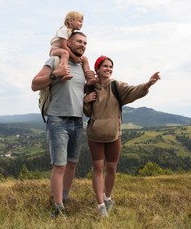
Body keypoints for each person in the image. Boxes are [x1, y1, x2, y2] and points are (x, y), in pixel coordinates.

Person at [83, 55, 161, 217]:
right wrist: (86, 100)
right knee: (97, 169)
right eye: (105, 66)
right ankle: (101, 206)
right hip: (95, 135)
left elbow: (134, 91)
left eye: (111, 67)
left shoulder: (117, 86)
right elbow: (87, 112)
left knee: (111, 168)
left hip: (114, 135)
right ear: (97, 69)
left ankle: (108, 197)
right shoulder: (90, 87)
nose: (109, 69)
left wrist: (148, 84)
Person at [32, 31, 94, 217]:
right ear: (68, 43)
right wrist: (55, 75)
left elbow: (77, 92)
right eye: (79, 41)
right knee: (59, 166)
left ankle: (64, 199)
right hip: (57, 119)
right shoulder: (55, 61)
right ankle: (58, 208)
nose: (82, 45)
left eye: (85, 42)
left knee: (72, 164)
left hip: (77, 120)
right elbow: (34, 84)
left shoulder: (82, 67)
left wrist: (89, 93)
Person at [50, 11, 95, 84]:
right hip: (55, 50)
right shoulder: (64, 30)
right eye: (80, 21)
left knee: (85, 59)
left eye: (82, 22)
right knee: (65, 53)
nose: (81, 24)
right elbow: (63, 46)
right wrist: (74, 57)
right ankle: (64, 72)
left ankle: (89, 78)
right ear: (71, 21)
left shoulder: (71, 33)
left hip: (62, 49)